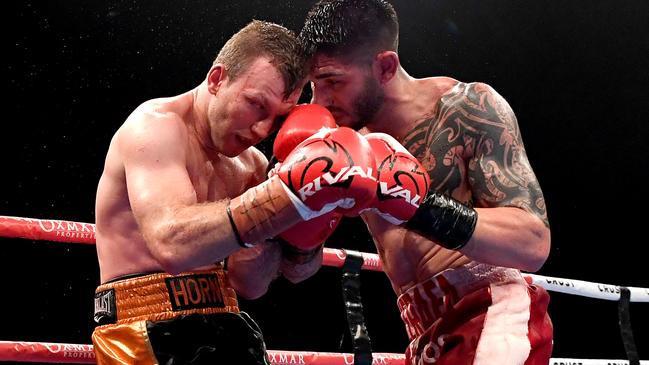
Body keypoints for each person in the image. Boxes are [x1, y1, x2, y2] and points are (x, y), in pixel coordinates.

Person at [91, 19, 377, 365]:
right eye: (256, 104)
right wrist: (284, 197)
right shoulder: (154, 128)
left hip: (229, 323)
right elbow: (171, 243)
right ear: (217, 79)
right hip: (146, 329)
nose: (261, 129)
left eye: (276, 118)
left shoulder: (253, 166)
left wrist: (313, 217)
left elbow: (251, 284)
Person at [298, 1, 554, 364]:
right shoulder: (344, 143)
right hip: (424, 334)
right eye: (313, 85)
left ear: (385, 66)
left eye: (333, 83)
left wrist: (418, 205)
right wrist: (291, 196)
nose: (319, 100)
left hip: (491, 313)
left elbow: (532, 241)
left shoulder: (465, 109)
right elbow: (298, 266)